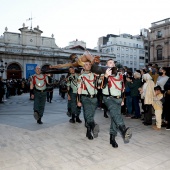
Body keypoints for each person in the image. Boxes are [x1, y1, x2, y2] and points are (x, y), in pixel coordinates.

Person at [102, 59, 132, 148]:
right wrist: (106, 76)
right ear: (106, 65)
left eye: (113, 62)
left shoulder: (120, 75)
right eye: (110, 62)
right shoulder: (103, 74)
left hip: (118, 99)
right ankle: (123, 130)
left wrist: (122, 99)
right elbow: (101, 86)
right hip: (108, 98)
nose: (112, 63)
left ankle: (112, 138)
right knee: (115, 114)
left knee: (115, 118)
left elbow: (122, 88)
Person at [77, 61, 99, 140]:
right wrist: (79, 101)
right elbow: (79, 89)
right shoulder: (81, 77)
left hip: (94, 98)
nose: (88, 66)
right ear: (83, 67)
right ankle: (92, 127)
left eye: (89, 64)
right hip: (85, 98)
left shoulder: (95, 76)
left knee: (90, 115)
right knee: (88, 113)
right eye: (86, 64)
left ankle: (88, 131)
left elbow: (99, 86)